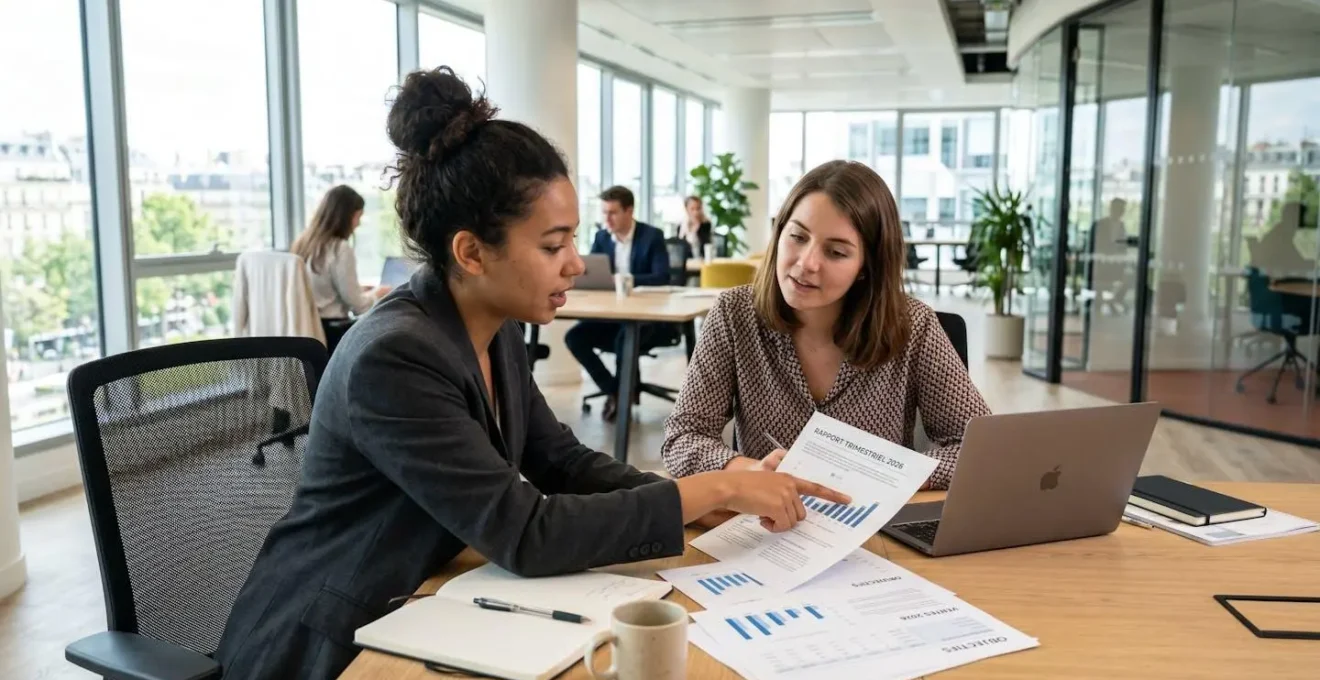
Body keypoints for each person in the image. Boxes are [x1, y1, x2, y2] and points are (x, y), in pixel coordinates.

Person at [214, 67, 848, 680]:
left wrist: (692, 506)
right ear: (471, 252)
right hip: (329, 644)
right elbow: (526, 532)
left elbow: (562, 462)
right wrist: (713, 491)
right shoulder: (394, 356)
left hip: (426, 604)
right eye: (552, 246)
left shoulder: (494, 327)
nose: (575, 263)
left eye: (573, 239)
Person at [661, 160, 990, 492]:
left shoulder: (913, 326)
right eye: (797, 237)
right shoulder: (735, 313)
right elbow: (683, 438)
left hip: (873, 527)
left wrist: (881, 478)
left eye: (835, 252)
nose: (807, 264)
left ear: (866, 267)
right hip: (766, 528)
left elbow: (980, 450)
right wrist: (752, 471)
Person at [564, 186, 670, 421]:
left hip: (647, 319)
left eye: (612, 213)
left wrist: (624, 280)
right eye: (604, 213)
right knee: (574, 337)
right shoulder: (602, 237)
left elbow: (662, 276)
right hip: (610, 315)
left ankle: (621, 396)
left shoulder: (652, 236)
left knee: (625, 338)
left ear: (629, 211)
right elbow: (591, 273)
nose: (606, 219)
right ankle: (615, 390)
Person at [290, 185, 392, 352]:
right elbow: (358, 305)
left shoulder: (303, 243)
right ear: (346, 216)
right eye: (357, 217)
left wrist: (358, 288)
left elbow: (320, 288)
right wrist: (377, 294)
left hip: (307, 329)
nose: (358, 224)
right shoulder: (340, 248)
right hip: (333, 333)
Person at [679, 195, 712, 259]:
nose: (696, 212)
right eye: (692, 209)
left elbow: (707, 245)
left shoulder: (706, 225)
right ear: (686, 209)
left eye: (698, 208)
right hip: (686, 261)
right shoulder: (682, 226)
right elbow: (680, 246)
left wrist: (697, 228)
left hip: (702, 260)